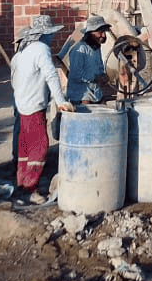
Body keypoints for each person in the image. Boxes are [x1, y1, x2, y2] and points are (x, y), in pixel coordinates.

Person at [9, 15, 74, 203]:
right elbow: (51, 75)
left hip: (22, 106)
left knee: (25, 148)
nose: (52, 37)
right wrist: (60, 101)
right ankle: (31, 189)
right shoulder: (41, 49)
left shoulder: (20, 54)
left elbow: (14, 81)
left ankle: (21, 184)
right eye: (51, 34)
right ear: (43, 34)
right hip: (34, 106)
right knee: (39, 147)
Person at [65, 14, 112, 103]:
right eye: (100, 32)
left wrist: (103, 76)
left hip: (95, 93)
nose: (103, 35)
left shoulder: (96, 48)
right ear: (90, 33)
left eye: (104, 32)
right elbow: (75, 75)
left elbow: (99, 68)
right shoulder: (79, 49)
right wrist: (95, 78)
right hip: (81, 95)